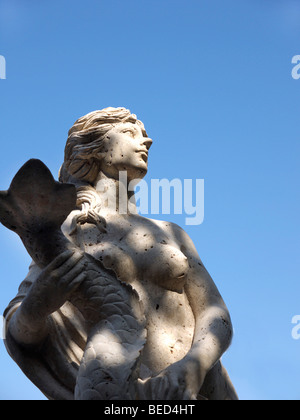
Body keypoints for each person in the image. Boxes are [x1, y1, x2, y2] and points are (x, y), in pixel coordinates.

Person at [4, 107, 238, 400]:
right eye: (129, 133)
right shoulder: (72, 230)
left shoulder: (171, 232)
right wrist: (38, 304)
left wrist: (195, 365)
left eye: (144, 134)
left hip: (197, 388)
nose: (146, 141)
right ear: (94, 150)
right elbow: (20, 330)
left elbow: (215, 314)